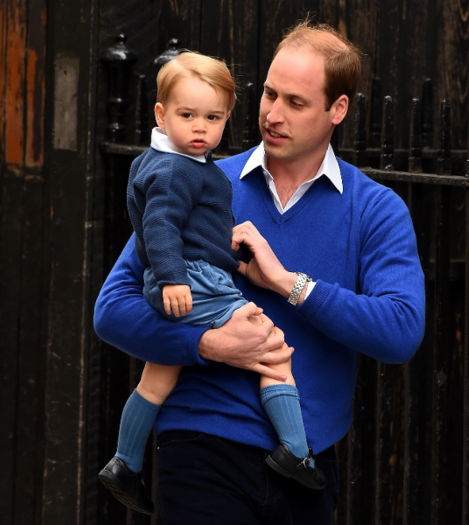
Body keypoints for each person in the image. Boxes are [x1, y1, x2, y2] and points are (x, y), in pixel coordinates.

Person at [94, 20, 425, 525]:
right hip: (201, 447)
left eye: (296, 102)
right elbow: (111, 310)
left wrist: (289, 284)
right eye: (269, 93)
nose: (272, 114)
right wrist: (207, 346)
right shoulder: (201, 176)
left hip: (305, 464)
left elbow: (401, 331)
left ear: (338, 110)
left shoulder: (375, 209)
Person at [97, 51, 325, 517]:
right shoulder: (179, 169)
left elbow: (188, 229)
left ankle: (125, 463)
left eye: (214, 117)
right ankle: (295, 452)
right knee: (272, 346)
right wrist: (172, 280)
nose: (201, 128)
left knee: (157, 376)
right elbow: (160, 226)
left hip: (193, 276)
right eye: (188, 115)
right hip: (194, 283)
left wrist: (235, 259)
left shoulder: (161, 162)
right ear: (161, 114)